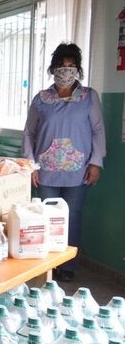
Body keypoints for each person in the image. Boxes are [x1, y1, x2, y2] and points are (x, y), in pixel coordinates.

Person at [22, 42, 105, 282]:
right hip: (46, 170)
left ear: (78, 69)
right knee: (47, 218)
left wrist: (96, 162)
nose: (65, 71)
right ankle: (47, 265)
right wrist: (30, 165)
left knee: (72, 217)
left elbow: (98, 130)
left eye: (71, 66)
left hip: (79, 171)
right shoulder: (41, 99)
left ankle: (68, 266)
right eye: (61, 66)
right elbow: (29, 132)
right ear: (52, 68)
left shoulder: (88, 97)